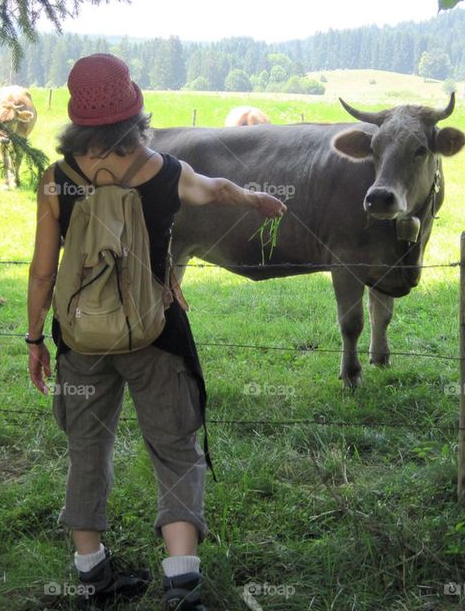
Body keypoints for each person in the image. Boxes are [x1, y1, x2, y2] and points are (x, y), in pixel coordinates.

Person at [25, 54, 285, 610]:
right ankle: (181, 583)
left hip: (78, 339)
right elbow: (214, 189)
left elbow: (44, 270)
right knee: (174, 449)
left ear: (77, 118)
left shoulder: (56, 180)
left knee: (86, 448)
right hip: (156, 332)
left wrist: (35, 340)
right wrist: (253, 199)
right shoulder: (163, 170)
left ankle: (93, 576)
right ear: (133, 111)